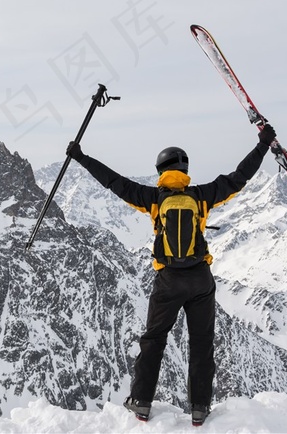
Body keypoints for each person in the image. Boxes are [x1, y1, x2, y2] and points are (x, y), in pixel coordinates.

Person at [65, 123, 276, 426]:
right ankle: (200, 407)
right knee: (201, 343)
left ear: (161, 170)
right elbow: (240, 177)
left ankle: (141, 403)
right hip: (201, 280)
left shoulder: (152, 199)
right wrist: (263, 144)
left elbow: (113, 182)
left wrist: (81, 157)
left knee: (154, 340)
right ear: (185, 168)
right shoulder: (203, 196)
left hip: (168, 282)